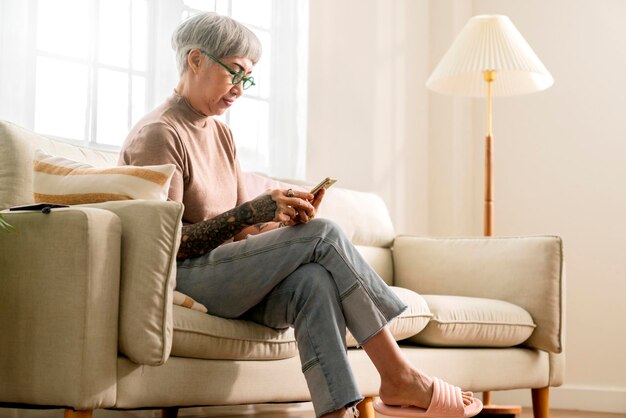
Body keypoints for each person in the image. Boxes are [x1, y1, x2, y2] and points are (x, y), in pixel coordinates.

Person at [119, 12, 482, 418]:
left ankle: (335, 413)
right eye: (235, 72)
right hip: (185, 276)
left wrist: (280, 222)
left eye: (248, 78)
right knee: (324, 234)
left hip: (225, 276)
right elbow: (167, 246)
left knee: (313, 280)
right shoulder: (159, 133)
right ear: (196, 60)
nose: (241, 88)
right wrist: (255, 211)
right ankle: (398, 375)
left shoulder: (219, 132)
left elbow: (243, 232)